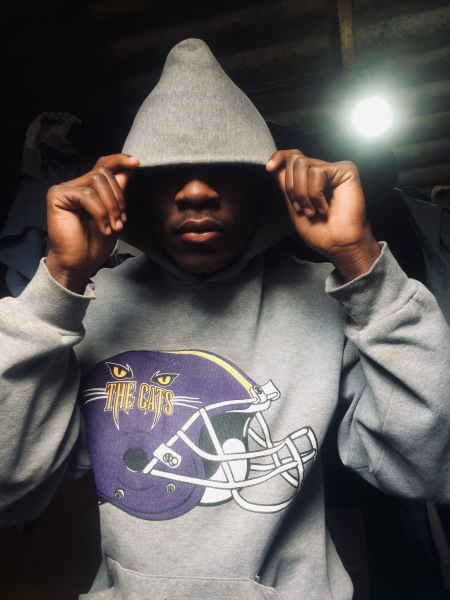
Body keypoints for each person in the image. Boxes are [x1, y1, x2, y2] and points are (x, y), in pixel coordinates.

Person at [0, 38, 449, 600]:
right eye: (169, 174)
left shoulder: (331, 298)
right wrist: (58, 283)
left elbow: (432, 464)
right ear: (133, 193)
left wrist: (361, 261)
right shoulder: (85, 308)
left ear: (264, 188)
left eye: (223, 171)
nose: (195, 192)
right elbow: (8, 492)